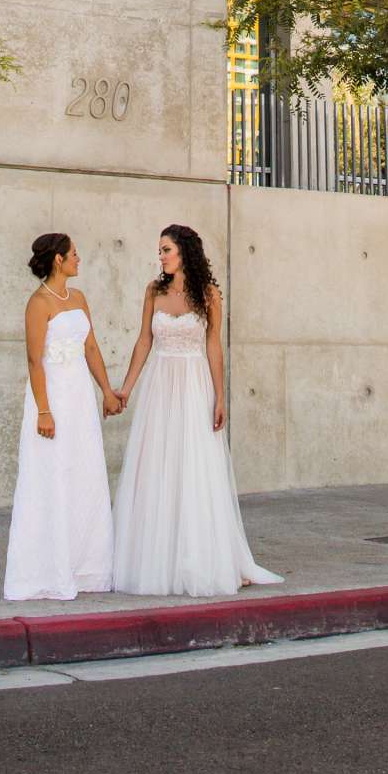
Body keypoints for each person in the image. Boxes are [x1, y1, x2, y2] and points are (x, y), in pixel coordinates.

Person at [110, 223, 281, 598]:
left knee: (194, 468)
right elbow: (144, 341)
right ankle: (158, 558)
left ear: (184, 251)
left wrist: (220, 396)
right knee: (159, 466)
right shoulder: (153, 291)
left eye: (166, 249)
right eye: (159, 250)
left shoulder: (209, 294)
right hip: (160, 387)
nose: (161, 256)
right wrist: (126, 387)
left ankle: (205, 557)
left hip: (193, 384)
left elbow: (213, 347)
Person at [3, 232, 123, 602]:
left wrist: (106, 389)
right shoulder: (38, 303)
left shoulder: (79, 298)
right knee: (50, 476)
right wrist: (43, 409)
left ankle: (85, 566)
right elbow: (34, 359)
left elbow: (91, 347)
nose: (79, 259)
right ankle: (44, 571)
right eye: (74, 254)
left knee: (83, 473)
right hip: (52, 397)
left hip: (80, 400)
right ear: (58, 259)